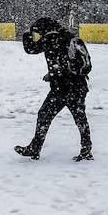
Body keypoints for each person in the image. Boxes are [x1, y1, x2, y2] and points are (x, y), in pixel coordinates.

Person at [14, 17, 93, 162]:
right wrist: (52, 74)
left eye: (38, 32)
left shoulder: (50, 38)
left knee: (44, 115)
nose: (39, 35)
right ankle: (86, 149)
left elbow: (31, 49)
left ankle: (35, 148)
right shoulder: (68, 36)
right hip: (78, 86)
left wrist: (26, 34)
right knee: (80, 118)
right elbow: (65, 62)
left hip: (62, 88)